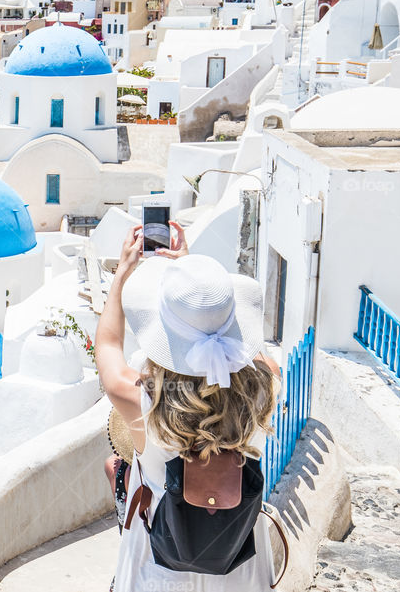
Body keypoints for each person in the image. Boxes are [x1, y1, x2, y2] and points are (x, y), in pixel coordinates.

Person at [95, 223, 281, 591]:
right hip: (239, 570)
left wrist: (123, 273)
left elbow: (108, 344)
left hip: (157, 570)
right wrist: (201, 289)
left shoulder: (141, 401)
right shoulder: (266, 386)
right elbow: (251, 346)